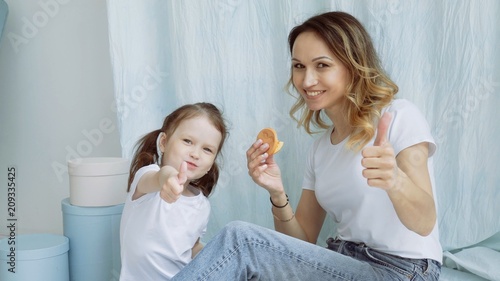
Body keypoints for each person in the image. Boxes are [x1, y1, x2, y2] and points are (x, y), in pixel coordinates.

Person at [172, 11, 442, 281]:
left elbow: (425, 222)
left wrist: (395, 180)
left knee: (241, 241)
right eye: (299, 66)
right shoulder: (320, 149)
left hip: (402, 271)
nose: (306, 80)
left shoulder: (398, 117)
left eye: (322, 65)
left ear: (353, 65)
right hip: (344, 262)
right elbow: (303, 242)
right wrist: (277, 194)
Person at [119, 102, 228, 280]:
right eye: (187, 141)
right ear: (163, 142)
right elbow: (160, 176)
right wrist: (168, 178)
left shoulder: (202, 205)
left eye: (207, 149)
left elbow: (191, 247)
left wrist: (215, 254)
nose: (195, 153)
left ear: (211, 163)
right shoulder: (147, 177)